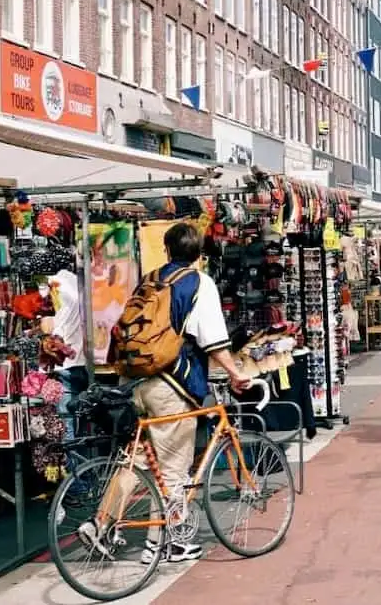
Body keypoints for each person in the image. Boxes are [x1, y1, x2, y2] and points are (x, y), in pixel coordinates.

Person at [83, 223, 252, 564]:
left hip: (135, 382)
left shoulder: (151, 279)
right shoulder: (198, 283)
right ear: (199, 253)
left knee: (138, 459)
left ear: (167, 248)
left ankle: (100, 523)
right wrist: (236, 374)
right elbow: (214, 340)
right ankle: (175, 542)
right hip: (172, 384)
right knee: (175, 466)